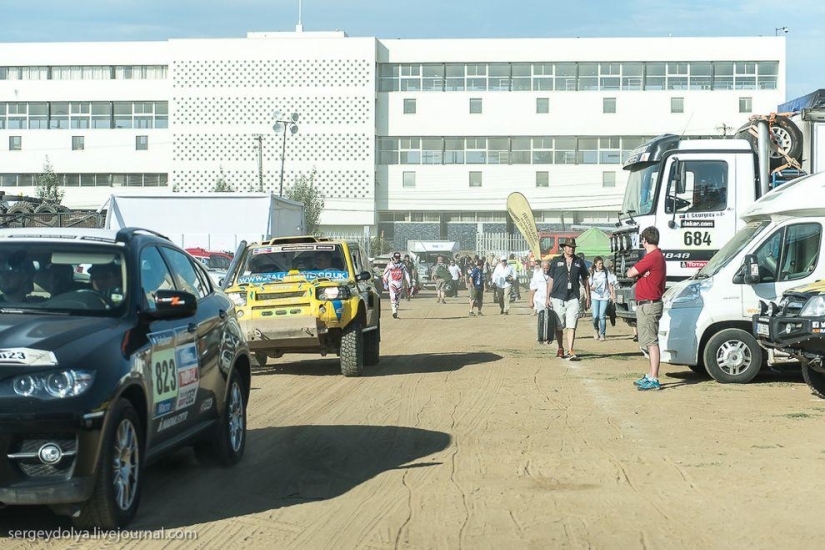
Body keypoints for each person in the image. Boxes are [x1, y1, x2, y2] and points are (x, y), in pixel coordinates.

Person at [629, 226, 667, 391]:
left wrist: (638, 273)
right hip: (648, 304)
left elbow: (630, 272)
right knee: (648, 341)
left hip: (649, 305)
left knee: (651, 342)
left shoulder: (652, 257)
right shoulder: (657, 256)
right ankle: (651, 374)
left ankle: (654, 377)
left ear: (644, 240)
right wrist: (641, 274)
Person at [546, 237, 590, 360]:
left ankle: (570, 349)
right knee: (559, 325)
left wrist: (588, 297)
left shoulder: (579, 262)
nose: (571, 249)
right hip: (557, 297)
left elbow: (585, 280)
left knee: (572, 324)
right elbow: (550, 280)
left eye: (573, 247)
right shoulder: (556, 261)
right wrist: (547, 297)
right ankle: (560, 347)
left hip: (573, 297)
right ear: (564, 248)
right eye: (569, 247)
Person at [589, 256, 617, 341]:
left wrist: (612, 295)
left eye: (602, 263)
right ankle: (595, 329)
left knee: (602, 316)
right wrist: (591, 288)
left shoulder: (606, 272)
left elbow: (610, 284)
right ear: (595, 264)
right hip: (595, 297)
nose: (601, 265)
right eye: (599, 263)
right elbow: (589, 284)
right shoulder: (592, 272)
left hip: (604, 296)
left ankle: (602, 334)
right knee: (595, 316)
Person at [383, 252, 411, 319]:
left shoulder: (402, 266)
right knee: (393, 297)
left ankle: (396, 311)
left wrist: (409, 282)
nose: (397, 259)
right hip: (392, 283)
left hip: (400, 284)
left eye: (398, 258)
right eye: (396, 258)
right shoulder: (390, 265)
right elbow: (385, 274)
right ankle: (394, 311)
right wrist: (385, 283)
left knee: (398, 299)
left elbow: (406, 274)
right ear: (393, 258)